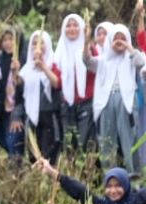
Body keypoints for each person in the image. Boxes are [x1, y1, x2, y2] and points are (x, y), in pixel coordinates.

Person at [86, 25, 146, 171]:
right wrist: (86, 42)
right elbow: (87, 61)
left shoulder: (131, 57)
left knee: (129, 139)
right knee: (107, 141)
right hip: (106, 102)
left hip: (126, 101)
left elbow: (141, 63)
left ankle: (134, 175)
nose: (119, 41)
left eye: (123, 38)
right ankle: (109, 176)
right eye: (116, 38)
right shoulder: (103, 60)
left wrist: (128, 47)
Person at [13, 30, 63, 165]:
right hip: (32, 117)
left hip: (49, 115)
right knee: (34, 154)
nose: (37, 47)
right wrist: (15, 71)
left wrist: (43, 66)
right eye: (34, 44)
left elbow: (56, 83)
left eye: (41, 43)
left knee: (50, 153)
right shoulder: (28, 67)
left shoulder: (54, 63)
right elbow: (18, 83)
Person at [54, 13, 95, 151]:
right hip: (67, 104)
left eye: (76, 25)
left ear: (82, 28)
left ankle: (83, 171)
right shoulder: (59, 53)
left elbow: (92, 64)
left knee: (83, 142)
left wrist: (87, 41)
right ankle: (69, 170)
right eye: (68, 26)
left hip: (86, 103)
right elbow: (57, 82)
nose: (72, 29)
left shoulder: (90, 49)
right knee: (69, 144)